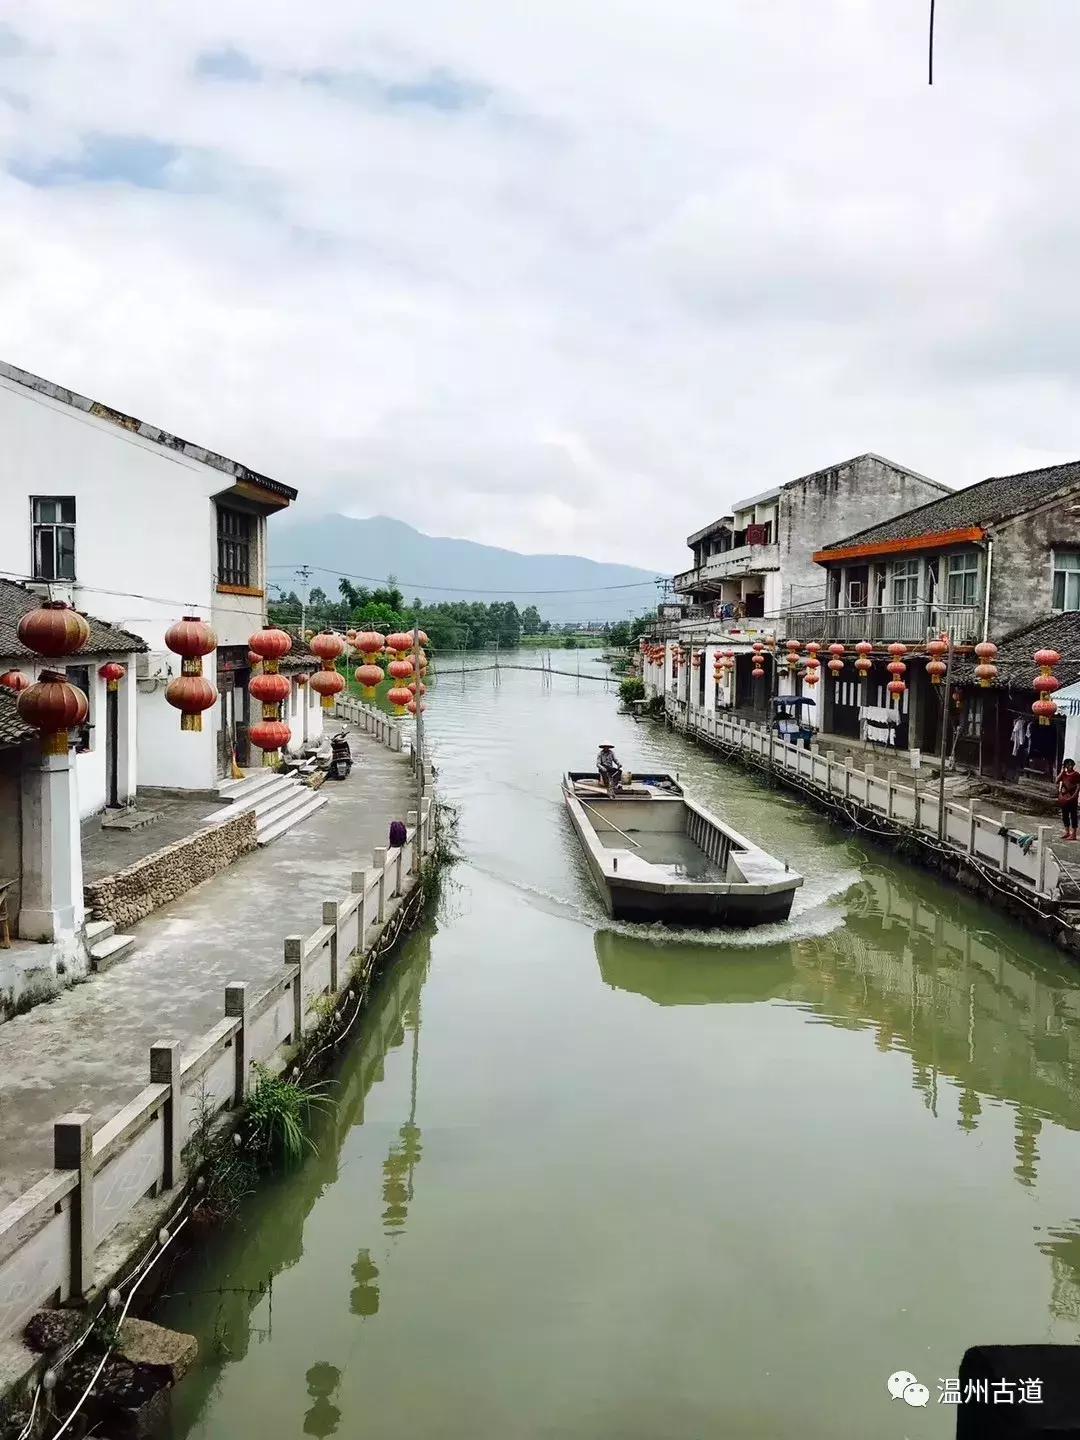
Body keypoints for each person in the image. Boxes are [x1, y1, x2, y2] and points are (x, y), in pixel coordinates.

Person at [1056, 759, 1080, 841]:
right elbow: (1056, 780)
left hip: (1072, 798)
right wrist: (1062, 771)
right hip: (1064, 798)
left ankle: (1073, 834)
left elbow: (1078, 786)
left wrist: (1075, 795)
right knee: (1065, 815)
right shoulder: (1064, 774)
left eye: (1071, 765)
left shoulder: (1076, 775)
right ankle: (1067, 832)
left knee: (1073, 816)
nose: (1069, 766)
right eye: (1068, 765)